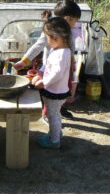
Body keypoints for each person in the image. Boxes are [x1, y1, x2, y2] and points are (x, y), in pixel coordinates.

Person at [13, 0, 81, 120]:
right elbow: (37, 46)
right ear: (67, 19)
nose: (75, 24)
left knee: (62, 90)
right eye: (74, 21)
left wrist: (73, 62)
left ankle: (59, 108)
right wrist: (24, 61)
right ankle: (47, 114)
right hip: (50, 69)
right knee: (50, 92)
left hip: (64, 68)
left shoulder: (68, 31)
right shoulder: (51, 31)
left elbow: (71, 48)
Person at [32, 17, 72, 148]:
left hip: (55, 92)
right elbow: (48, 63)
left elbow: (57, 73)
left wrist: (44, 82)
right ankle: (56, 134)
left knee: (52, 116)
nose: (48, 42)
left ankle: (54, 141)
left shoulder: (62, 53)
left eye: (48, 38)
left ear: (57, 37)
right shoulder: (57, 49)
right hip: (54, 90)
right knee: (55, 114)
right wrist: (41, 72)